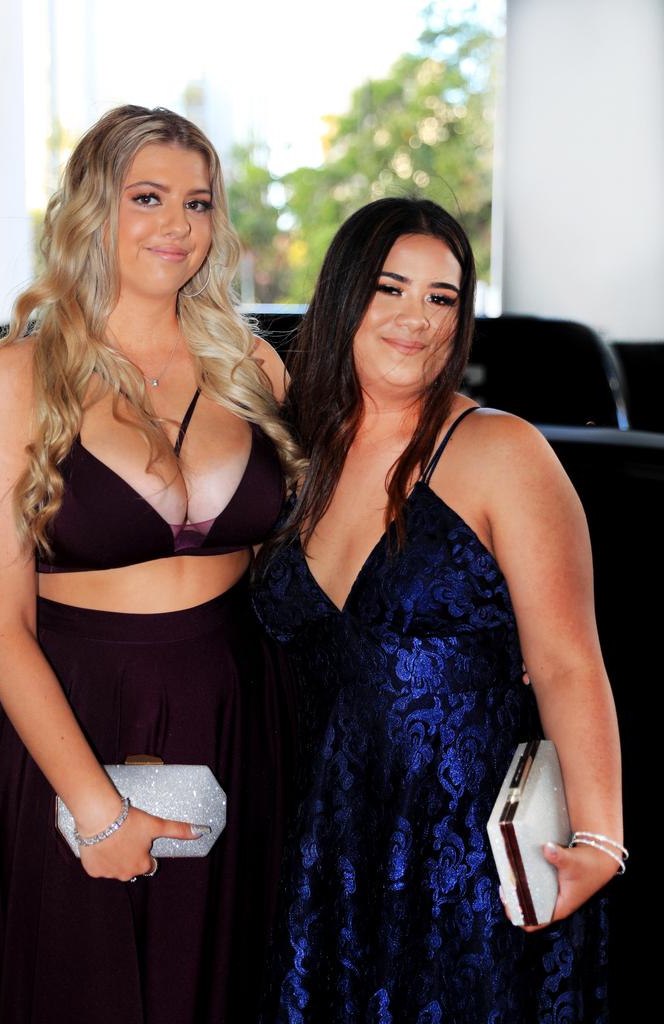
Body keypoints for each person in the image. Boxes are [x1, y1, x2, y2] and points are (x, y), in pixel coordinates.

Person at [0, 105, 300, 1024]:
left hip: (238, 720)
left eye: (198, 202)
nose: (178, 225)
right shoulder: (17, 380)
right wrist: (96, 811)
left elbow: (296, 570)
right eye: (148, 197)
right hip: (77, 729)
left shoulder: (253, 368)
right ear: (94, 210)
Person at [252, 197, 623, 1022]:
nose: (416, 319)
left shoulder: (502, 451)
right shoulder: (297, 456)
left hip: (465, 854)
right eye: (391, 289)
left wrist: (599, 837)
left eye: (442, 297)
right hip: (328, 846)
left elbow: (567, 658)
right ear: (345, 296)